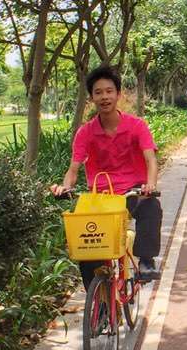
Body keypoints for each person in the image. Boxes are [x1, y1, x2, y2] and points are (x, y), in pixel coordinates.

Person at [51, 65, 162, 285]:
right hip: (101, 197)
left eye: (109, 91)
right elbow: (73, 169)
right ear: (91, 97)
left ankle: (146, 261)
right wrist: (65, 187)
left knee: (151, 207)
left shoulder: (137, 126)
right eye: (98, 92)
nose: (104, 97)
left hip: (133, 191)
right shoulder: (85, 132)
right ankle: (96, 298)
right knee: (86, 242)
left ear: (118, 94)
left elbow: (150, 159)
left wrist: (150, 185)